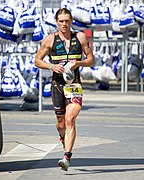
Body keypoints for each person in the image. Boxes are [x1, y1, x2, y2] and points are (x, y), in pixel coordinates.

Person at [34, 8, 95, 171]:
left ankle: (67, 156)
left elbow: (91, 59)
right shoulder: (49, 40)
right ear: (56, 22)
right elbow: (37, 60)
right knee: (61, 124)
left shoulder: (80, 37)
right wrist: (51, 66)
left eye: (67, 21)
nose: (64, 24)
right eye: (61, 21)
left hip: (74, 85)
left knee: (70, 120)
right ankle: (63, 138)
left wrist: (79, 63)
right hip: (57, 86)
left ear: (71, 22)